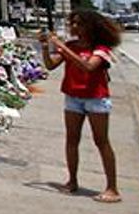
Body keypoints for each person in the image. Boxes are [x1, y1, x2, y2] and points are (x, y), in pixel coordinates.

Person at [40, 11, 122, 203]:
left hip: (95, 98)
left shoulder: (100, 49)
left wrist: (61, 47)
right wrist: (46, 47)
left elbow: (88, 66)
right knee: (71, 140)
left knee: (101, 141)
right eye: (72, 23)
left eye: (78, 23)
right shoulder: (71, 46)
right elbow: (51, 65)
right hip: (73, 97)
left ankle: (112, 187)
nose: (74, 27)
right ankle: (72, 180)